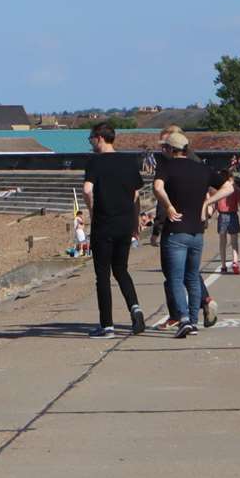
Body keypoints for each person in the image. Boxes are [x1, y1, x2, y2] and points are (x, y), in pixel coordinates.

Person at [153, 130, 232, 338]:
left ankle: (184, 319)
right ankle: (194, 322)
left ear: (171, 149)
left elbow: (157, 187)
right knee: (193, 277)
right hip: (197, 231)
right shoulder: (202, 168)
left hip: (176, 231)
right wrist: (207, 202)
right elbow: (228, 187)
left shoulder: (166, 167)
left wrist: (168, 206)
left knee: (175, 279)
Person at [81, 121, 146, 337]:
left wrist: (92, 211)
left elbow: (87, 190)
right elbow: (136, 194)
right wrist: (133, 218)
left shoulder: (95, 162)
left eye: (91, 138)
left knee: (103, 275)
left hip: (104, 224)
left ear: (99, 138)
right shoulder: (128, 161)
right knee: (121, 270)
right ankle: (135, 308)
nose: (91, 143)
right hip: (125, 224)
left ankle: (107, 325)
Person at [214, 157, 240, 275]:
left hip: (222, 215)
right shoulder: (235, 189)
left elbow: (216, 203)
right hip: (233, 214)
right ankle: (235, 261)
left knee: (222, 240)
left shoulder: (219, 189)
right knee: (234, 240)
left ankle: (223, 265)